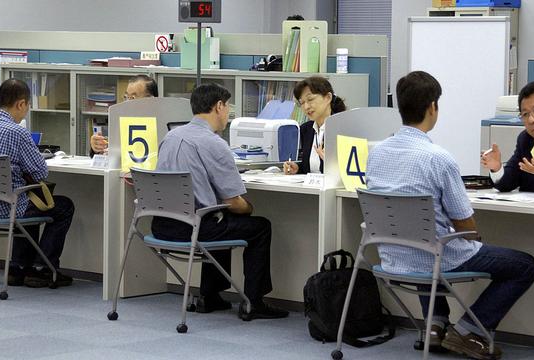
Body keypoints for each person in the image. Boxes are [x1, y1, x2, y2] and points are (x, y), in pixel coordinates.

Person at [366, 71, 534, 360]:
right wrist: (473, 236)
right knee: (524, 265)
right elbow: (465, 225)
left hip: (392, 257)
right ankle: (469, 331)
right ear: (433, 107)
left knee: (425, 239)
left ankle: (435, 326)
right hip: (433, 258)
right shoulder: (438, 158)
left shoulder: (377, 153)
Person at [151, 83, 289, 321]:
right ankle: (253, 302)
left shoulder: (170, 137)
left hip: (161, 226)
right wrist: (249, 207)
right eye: (228, 107)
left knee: (219, 216)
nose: (228, 113)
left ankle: (209, 296)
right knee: (257, 224)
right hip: (194, 230)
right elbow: (233, 201)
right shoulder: (214, 143)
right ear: (219, 106)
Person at [0, 78, 75, 288]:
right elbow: (40, 171)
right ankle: (44, 269)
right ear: (21, 104)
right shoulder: (17, 132)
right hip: (8, 208)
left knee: (24, 198)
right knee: (62, 206)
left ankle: (18, 268)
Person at [283, 76, 347, 175]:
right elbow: (312, 169)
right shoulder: (306, 129)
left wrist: (332, 163)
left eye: (310, 99)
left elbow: (351, 169)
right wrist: (298, 169)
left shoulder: (344, 129)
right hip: (311, 189)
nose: (306, 107)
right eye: (302, 103)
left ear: (328, 98)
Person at [89, 74, 159, 155]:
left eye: (132, 98)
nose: (127, 103)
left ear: (150, 101)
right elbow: (112, 154)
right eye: (126, 97)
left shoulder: (161, 127)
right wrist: (97, 149)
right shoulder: (122, 124)